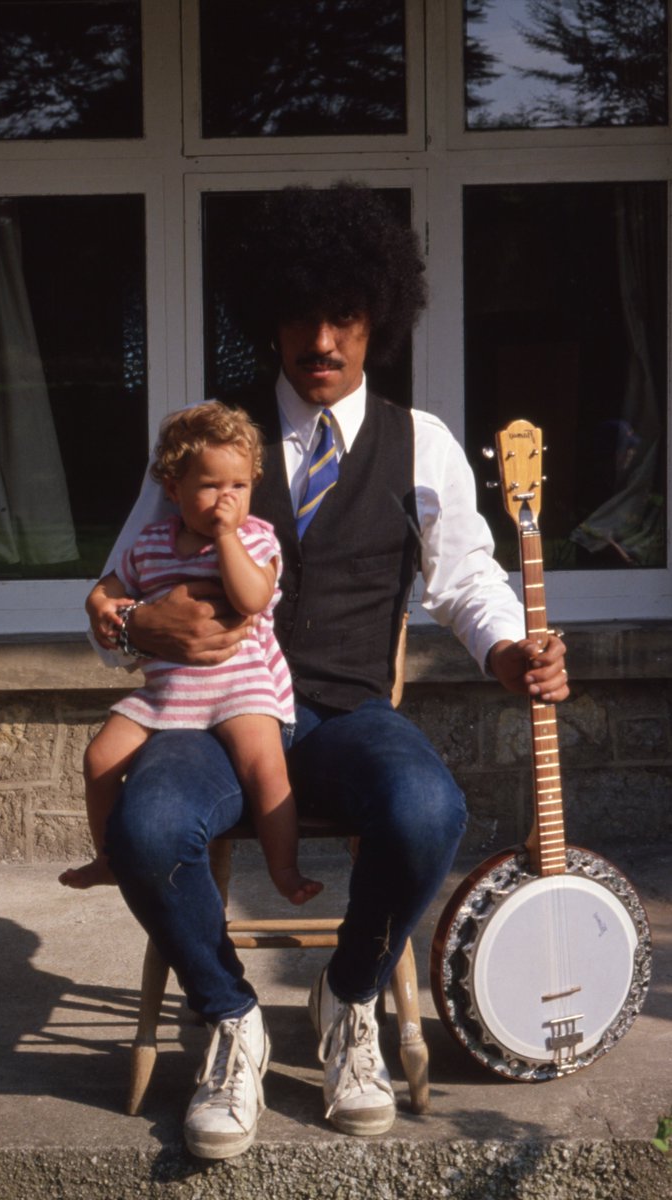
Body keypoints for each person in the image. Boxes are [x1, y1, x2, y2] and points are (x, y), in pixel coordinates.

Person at [87, 182, 570, 1160]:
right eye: (302, 315)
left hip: (348, 712)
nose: (321, 339)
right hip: (210, 717)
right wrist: (138, 624)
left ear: (374, 321)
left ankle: (349, 995)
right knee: (143, 824)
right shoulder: (204, 445)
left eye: (343, 317)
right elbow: (113, 598)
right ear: (270, 316)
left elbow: (467, 579)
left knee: (427, 809)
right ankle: (231, 1020)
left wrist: (509, 647)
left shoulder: (420, 442)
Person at [62, 402, 322, 906]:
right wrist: (98, 603)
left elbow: (250, 598)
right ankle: (109, 857)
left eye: (239, 487)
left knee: (266, 770)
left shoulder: (255, 539)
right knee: (98, 758)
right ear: (173, 489)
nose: (226, 499)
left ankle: (284, 869)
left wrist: (226, 537)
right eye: (209, 486)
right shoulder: (152, 543)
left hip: (240, 686)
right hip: (168, 692)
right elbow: (112, 585)